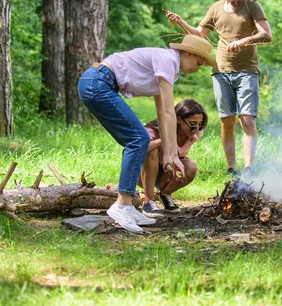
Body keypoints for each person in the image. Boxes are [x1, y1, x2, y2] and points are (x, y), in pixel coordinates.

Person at [78, 35, 215, 233]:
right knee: (139, 138)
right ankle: (122, 205)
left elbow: (162, 112)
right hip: (98, 83)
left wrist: (170, 154)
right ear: (188, 53)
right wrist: (172, 154)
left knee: (137, 140)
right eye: (198, 62)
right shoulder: (168, 60)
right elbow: (170, 113)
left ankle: (127, 206)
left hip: (96, 84)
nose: (197, 68)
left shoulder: (168, 67)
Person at [165, 0, 272, 178]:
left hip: (247, 70)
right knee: (227, 119)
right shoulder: (215, 8)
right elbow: (200, 34)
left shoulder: (252, 5)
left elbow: (266, 35)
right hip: (221, 71)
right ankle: (232, 168)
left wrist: (242, 42)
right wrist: (182, 22)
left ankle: (250, 168)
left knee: (247, 119)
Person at [138, 98, 208, 218]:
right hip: (143, 173)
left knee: (191, 167)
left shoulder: (196, 133)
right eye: (192, 124)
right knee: (151, 151)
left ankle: (164, 194)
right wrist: (165, 140)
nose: (196, 129)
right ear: (179, 119)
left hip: (167, 172)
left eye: (199, 124)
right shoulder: (155, 129)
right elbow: (140, 148)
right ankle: (149, 201)